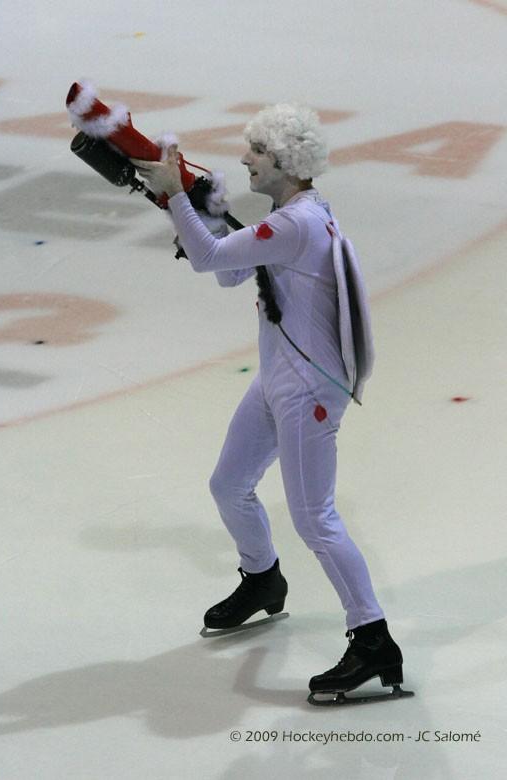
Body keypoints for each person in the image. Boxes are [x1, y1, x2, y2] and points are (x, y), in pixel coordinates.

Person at [131, 104, 410, 704]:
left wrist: (177, 196)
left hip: (308, 390)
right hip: (280, 378)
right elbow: (233, 273)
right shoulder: (295, 215)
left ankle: (373, 639)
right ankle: (262, 579)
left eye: (255, 151)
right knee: (229, 484)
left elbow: (210, 258)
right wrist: (194, 210)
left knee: (315, 519)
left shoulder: (297, 224)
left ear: (282, 162)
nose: (244, 159)